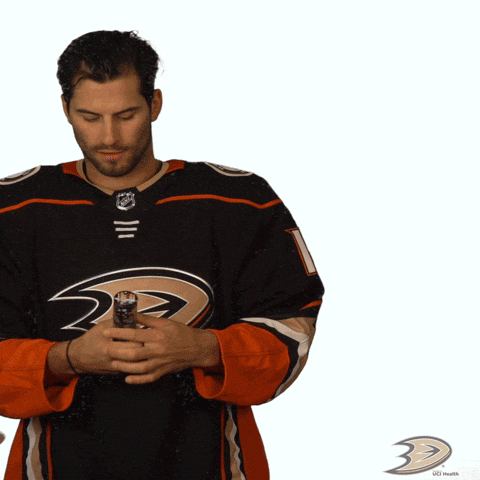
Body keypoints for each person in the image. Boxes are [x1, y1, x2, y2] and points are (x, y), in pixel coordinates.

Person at [0, 30, 324, 480]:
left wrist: (204, 348)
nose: (108, 136)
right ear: (65, 109)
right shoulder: (13, 208)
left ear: (154, 104)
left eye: (126, 115)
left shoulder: (239, 200)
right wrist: (69, 358)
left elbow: (292, 332)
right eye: (89, 117)